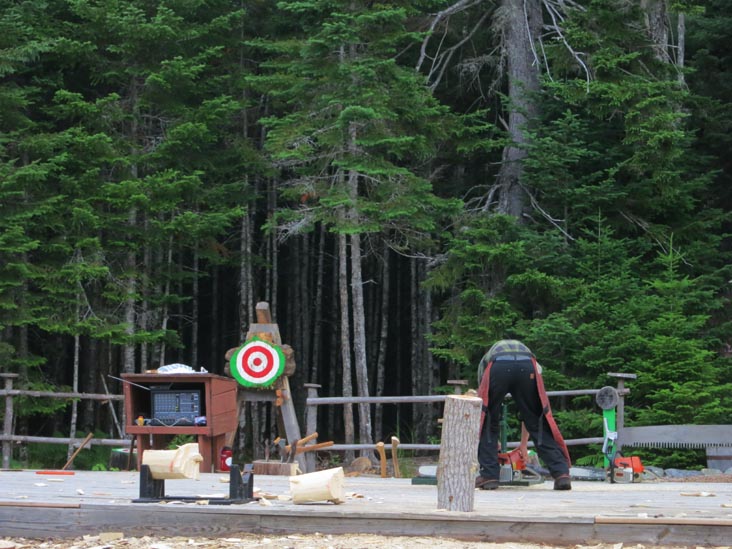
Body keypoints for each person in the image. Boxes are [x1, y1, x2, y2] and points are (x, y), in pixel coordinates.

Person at [474, 339, 572, 491]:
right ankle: (561, 474)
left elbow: (484, 406)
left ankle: (489, 477)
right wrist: (523, 444)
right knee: (537, 420)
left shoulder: (485, 363)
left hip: (498, 366)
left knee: (487, 420)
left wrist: (495, 441)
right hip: (527, 366)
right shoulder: (534, 362)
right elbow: (530, 414)